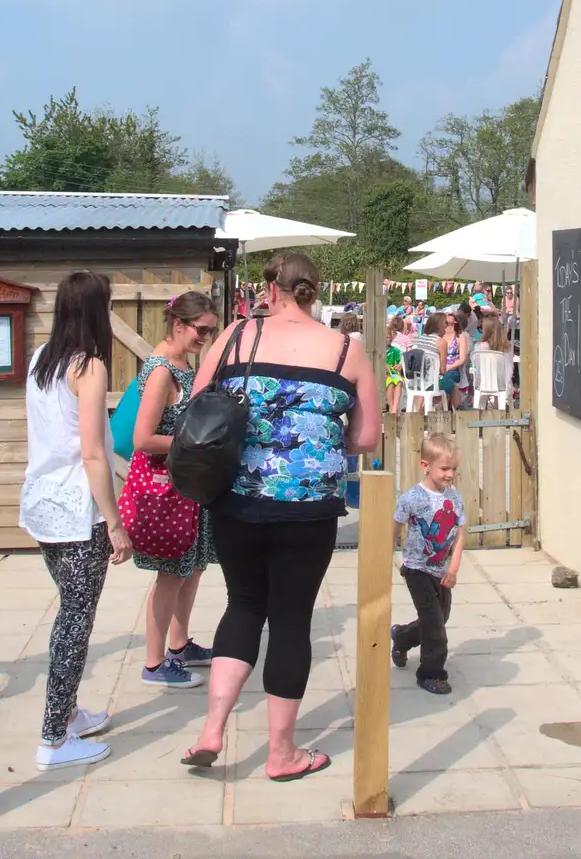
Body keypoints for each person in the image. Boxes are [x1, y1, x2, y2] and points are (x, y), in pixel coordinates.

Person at [183, 252, 380, 781]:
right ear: (316, 290)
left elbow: (198, 406)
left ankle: (212, 730)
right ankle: (282, 752)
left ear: (272, 290)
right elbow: (366, 437)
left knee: (243, 605)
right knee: (292, 620)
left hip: (237, 499)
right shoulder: (347, 350)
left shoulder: (235, 337)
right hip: (308, 508)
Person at [18, 272, 133, 771]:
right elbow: (91, 453)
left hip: (42, 504)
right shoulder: (88, 367)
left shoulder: (41, 361)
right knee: (74, 622)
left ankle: (66, 713)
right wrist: (114, 520)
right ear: (95, 311)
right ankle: (53, 739)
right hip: (77, 509)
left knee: (70, 611)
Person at [130, 291, 220, 689]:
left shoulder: (181, 362)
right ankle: (154, 664)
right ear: (178, 324)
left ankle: (179, 645)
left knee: (192, 568)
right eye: (201, 329)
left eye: (210, 331)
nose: (205, 337)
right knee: (170, 574)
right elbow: (143, 437)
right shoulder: (162, 369)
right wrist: (197, 445)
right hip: (170, 488)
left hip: (189, 486)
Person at [389, 432, 465, 694]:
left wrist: (453, 569)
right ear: (426, 466)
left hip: (441, 570)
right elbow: (395, 526)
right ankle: (430, 674)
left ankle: (401, 637)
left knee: (440, 618)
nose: (450, 474)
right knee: (435, 626)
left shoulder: (454, 498)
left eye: (454, 468)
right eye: (444, 468)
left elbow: (459, 536)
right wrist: (386, 554)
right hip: (416, 569)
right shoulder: (412, 498)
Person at [384, 319, 404, 414]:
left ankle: (395, 407)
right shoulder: (379, 352)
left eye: (387, 337)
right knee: (390, 384)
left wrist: (399, 365)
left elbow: (400, 362)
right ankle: (391, 407)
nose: (385, 339)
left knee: (399, 382)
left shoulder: (395, 350)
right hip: (384, 375)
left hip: (393, 373)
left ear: (391, 338)